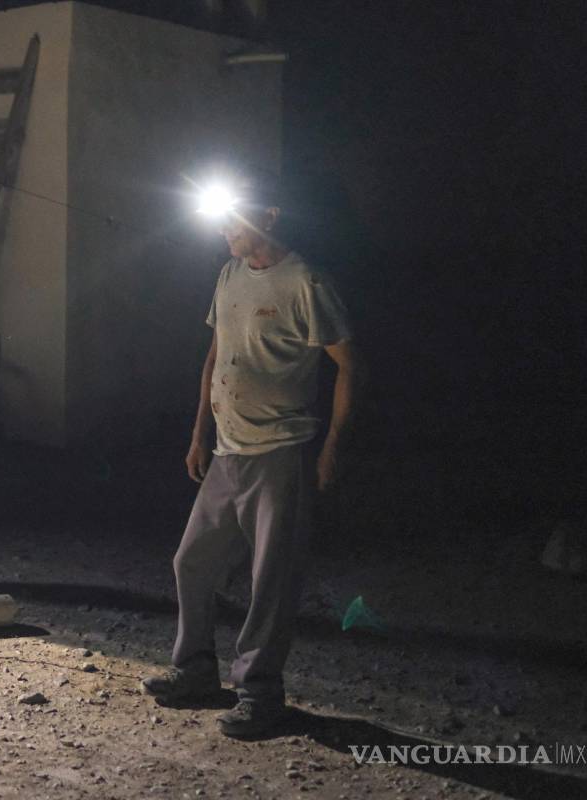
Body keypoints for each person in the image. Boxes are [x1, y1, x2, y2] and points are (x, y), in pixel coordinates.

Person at [142, 171, 361, 738]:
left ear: (269, 217)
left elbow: (350, 365)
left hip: (280, 452)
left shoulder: (306, 281)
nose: (222, 230)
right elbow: (214, 358)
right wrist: (198, 433)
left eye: (233, 219)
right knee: (192, 561)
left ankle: (261, 693)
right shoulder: (230, 273)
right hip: (227, 450)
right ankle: (194, 672)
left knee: (271, 579)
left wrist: (333, 445)